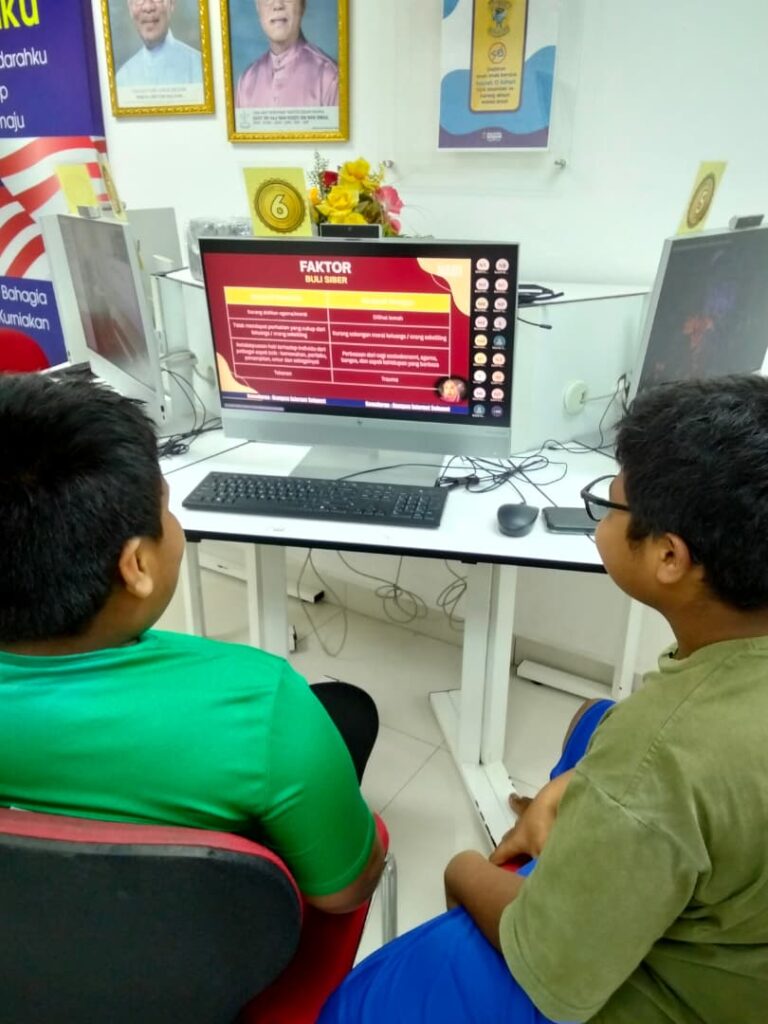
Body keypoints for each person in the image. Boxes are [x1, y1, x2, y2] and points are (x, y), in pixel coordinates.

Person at [319, 374, 768, 1023]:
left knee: (359, 1004)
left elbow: (558, 970)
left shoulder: (661, 747)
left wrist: (462, 870)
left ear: (670, 556)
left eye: (609, 503)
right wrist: (584, 784)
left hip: (679, 998)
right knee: (592, 725)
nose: (601, 515)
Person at [0, 374, 384, 922]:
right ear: (135, 565)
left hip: (30, 939)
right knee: (347, 712)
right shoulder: (261, 705)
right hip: (214, 951)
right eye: (167, 509)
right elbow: (342, 893)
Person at [236, 0, 339, 109]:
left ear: (303, 5)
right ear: (258, 7)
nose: (277, 5)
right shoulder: (247, 81)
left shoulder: (329, 77)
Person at [116, 0, 203, 89]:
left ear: (172, 4)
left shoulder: (200, 68)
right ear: (130, 8)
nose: (148, 7)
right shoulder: (122, 79)